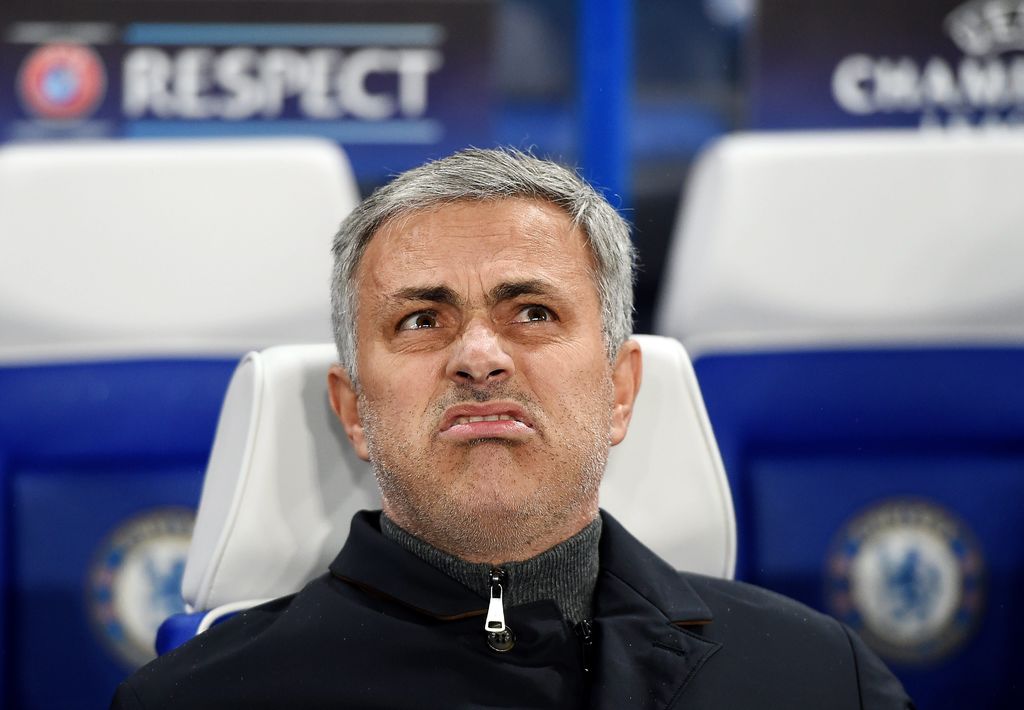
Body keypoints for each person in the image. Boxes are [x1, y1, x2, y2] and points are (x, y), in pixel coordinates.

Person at [111, 148, 913, 709]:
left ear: (620, 390)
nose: (479, 358)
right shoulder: (194, 701)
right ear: (353, 411)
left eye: (532, 312)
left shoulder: (818, 678)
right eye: (421, 319)